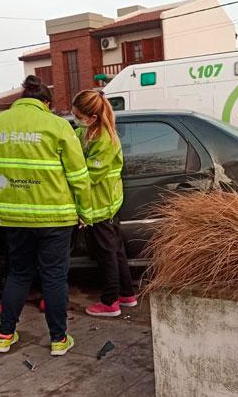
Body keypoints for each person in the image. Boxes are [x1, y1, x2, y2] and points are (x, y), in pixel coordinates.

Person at [0, 75, 92, 356]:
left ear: (21, 100)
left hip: (14, 218)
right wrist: (85, 212)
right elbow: (79, 175)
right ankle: (58, 340)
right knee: (54, 278)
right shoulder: (58, 126)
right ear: (46, 103)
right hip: (55, 217)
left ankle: (5, 336)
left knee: (18, 274)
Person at [71, 90, 136, 317]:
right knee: (116, 249)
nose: (75, 119)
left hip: (102, 204)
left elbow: (91, 175)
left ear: (92, 117)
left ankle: (110, 302)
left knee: (106, 252)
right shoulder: (86, 132)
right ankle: (127, 295)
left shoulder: (105, 139)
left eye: (78, 115)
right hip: (105, 202)